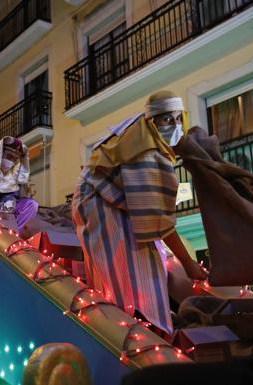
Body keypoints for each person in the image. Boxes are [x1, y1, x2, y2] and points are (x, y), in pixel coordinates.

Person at [71, 90, 208, 336]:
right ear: (153, 121)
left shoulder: (145, 136)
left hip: (110, 202)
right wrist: (189, 264)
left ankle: (151, 324)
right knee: (135, 273)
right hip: (100, 206)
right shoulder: (146, 152)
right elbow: (158, 222)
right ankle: (138, 331)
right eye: (167, 119)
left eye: (178, 118)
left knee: (152, 261)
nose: (175, 125)